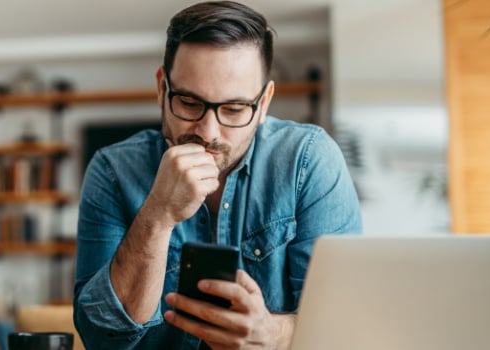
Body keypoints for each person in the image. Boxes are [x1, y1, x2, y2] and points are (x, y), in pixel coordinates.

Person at [73, 1, 362, 349]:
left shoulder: (309, 160)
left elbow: (344, 328)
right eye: (190, 104)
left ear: (265, 101)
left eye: (234, 108)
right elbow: (101, 338)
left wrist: (271, 333)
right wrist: (157, 215)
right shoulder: (112, 171)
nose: (209, 132)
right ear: (162, 88)